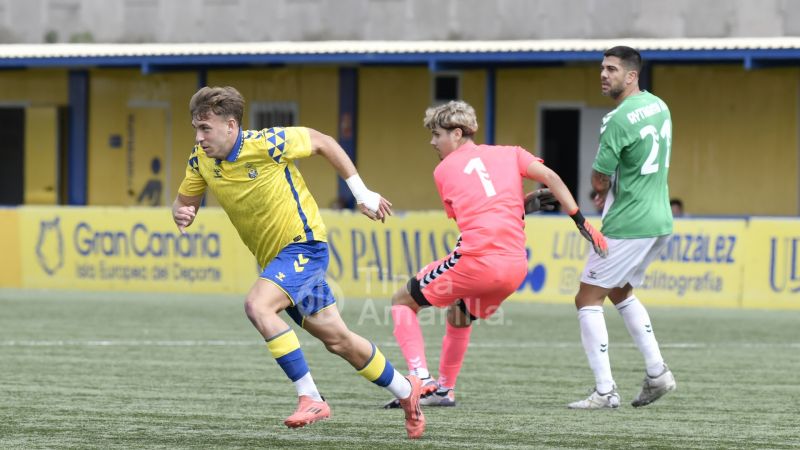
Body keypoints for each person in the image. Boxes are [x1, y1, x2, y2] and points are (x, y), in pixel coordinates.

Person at [172, 86, 425, 439]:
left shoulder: (268, 143)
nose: (199, 138)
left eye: (206, 128)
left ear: (231, 126)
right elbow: (185, 203)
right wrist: (182, 213)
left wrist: (361, 193)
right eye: (196, 129)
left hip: (304, 246)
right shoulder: (200, 161)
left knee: (258, 306)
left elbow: (324, 142)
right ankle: (405, 390)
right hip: (278, 260)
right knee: (339, 340)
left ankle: (310, 397)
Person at [385, 100, 607, 408]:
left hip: (477, 259)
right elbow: (552, 179)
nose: (432, 141)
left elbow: (473, 213)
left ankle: (420, 379)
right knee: (459, 315)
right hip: (515, 267)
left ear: (457, 133)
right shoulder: (511, 153)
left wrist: (521, 203)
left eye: (437, 134)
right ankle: (445, 390)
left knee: (402, 301)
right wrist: (580, 221)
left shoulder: (443, 170)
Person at [568, 46, 676, 410]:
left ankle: (604, 391)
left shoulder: (618, 118)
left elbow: (599, 180)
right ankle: (657, 373)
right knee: (619, 291)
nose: (603, 74)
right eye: (602, 68)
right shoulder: (659, 105)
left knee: (587, 298)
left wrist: (600, 190)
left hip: (629, 221)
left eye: (611, 69)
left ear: (631, 76)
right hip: (659, 218)